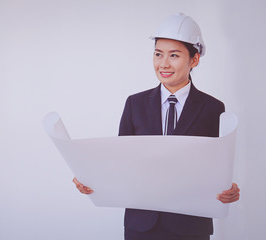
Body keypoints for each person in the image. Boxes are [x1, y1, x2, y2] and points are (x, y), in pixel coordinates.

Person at [73, 13, 240, 240]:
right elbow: (120, 161)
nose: (164, 64)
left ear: (194, 59)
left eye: (174, 55)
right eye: (158, 54)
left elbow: (216, 168)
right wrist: (91, 179)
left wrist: (228, 190)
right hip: (141, 225)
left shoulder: (213, 109)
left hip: (190, 226)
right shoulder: (135, 104)